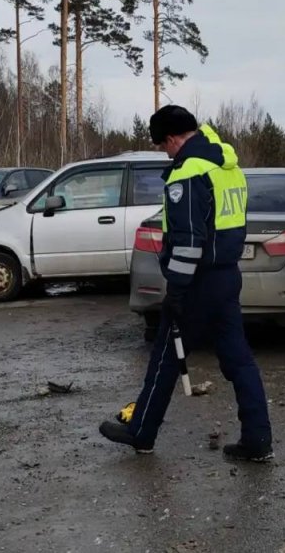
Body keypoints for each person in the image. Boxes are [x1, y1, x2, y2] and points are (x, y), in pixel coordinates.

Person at [98, 105, 274, 462]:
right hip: (227, 276)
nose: (165, 151)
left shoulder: (188, 172)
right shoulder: (229, 166)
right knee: (239, 361)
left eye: (164, 144)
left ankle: (141, 431)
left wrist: (176, 289)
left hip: (197, 283)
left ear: (174, 137)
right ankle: (258, 440)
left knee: (164, 358)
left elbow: (189, 239)